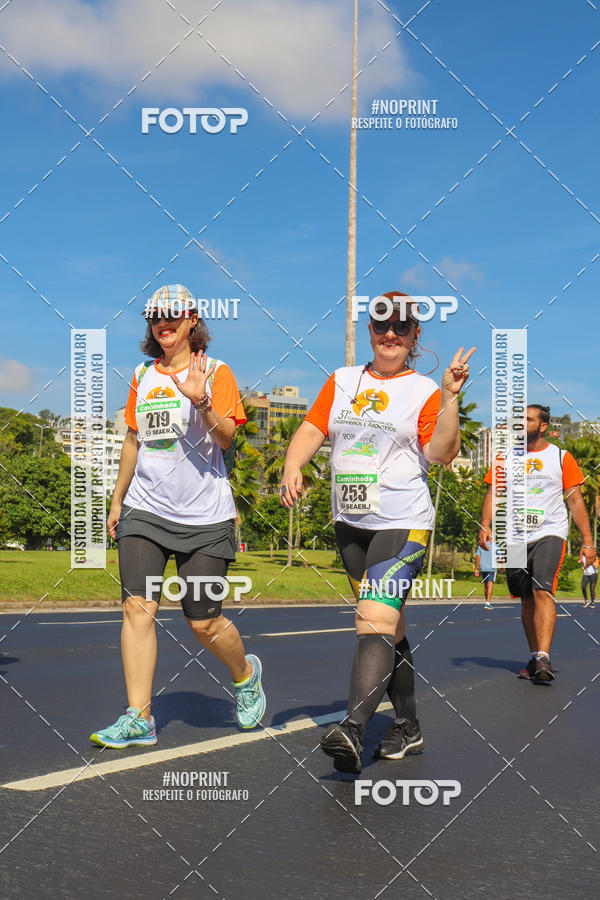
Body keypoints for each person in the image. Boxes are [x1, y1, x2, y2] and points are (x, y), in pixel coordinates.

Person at [280, 292, 474, 774]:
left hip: (402, 520)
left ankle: (353, 727)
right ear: (369, 330)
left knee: (372, 618)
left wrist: (450, 398)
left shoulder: (424, 391)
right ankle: (409, 727)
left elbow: (441, 453)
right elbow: (311, 428)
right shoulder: (343, 381)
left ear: (414, 337)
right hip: (350, 523)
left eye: (402, 328)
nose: (390, 334)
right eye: (381, 325)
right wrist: (292, 465)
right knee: (389, 625)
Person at [90, 284, 265, 748]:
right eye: (155, 316)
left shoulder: (217, 371)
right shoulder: (142, 375)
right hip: (145, 511)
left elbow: (226, 439)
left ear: (192, 320)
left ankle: (245, 676)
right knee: (137, 609)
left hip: (206, 519)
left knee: (202, 619)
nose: (162, 323)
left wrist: (200, 399)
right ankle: (139, 717)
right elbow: (133, 440)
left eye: (172, 315)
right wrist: (117, 500)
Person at [478, 404, 596, 683]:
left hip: (550, 532)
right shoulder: (504, 457)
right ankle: (534, 656)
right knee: (526, 598)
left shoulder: (560, 457)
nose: (521, 424)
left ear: (543, 426)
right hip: (516, 535)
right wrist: (485, 524)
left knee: (541, 589)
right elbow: (494, 492)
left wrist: (588, 541)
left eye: (528, 420)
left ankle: (544, 655)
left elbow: (575, 500)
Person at [474, 540, 497, 609]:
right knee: (490, 584)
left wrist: (476, 568)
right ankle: (487, 602)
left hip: (483, 568)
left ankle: (487, 601)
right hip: (492, 568)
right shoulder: (496, 546)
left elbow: (478, 557)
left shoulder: (481, 545)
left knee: (485, 585)